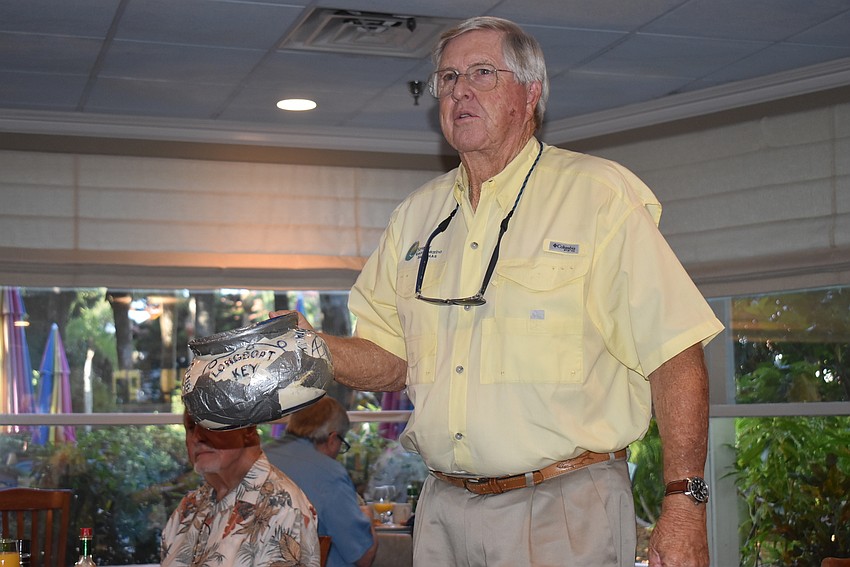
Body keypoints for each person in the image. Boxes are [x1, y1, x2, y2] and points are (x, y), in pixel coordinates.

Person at [277, 15, 724, 567]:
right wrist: (308, 349)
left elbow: (675, 352)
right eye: (447, 78)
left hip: (563, 506)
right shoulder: (415, 217)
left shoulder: (599, 196)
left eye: (482, 73)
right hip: (443, 509)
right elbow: (392, 357)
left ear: (531, 93)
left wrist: (686, 504)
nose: (459, 89)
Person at [161, 411, 321, 567]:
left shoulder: (283, 508)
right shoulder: (189, 506)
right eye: (190, 426)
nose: (197, 437)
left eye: (209, 423)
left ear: (248, 428)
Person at [265, 396, 378, 567]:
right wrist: (367, 517)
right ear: (333, 439)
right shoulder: (330, 474)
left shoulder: (259, 458)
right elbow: (363, 556)